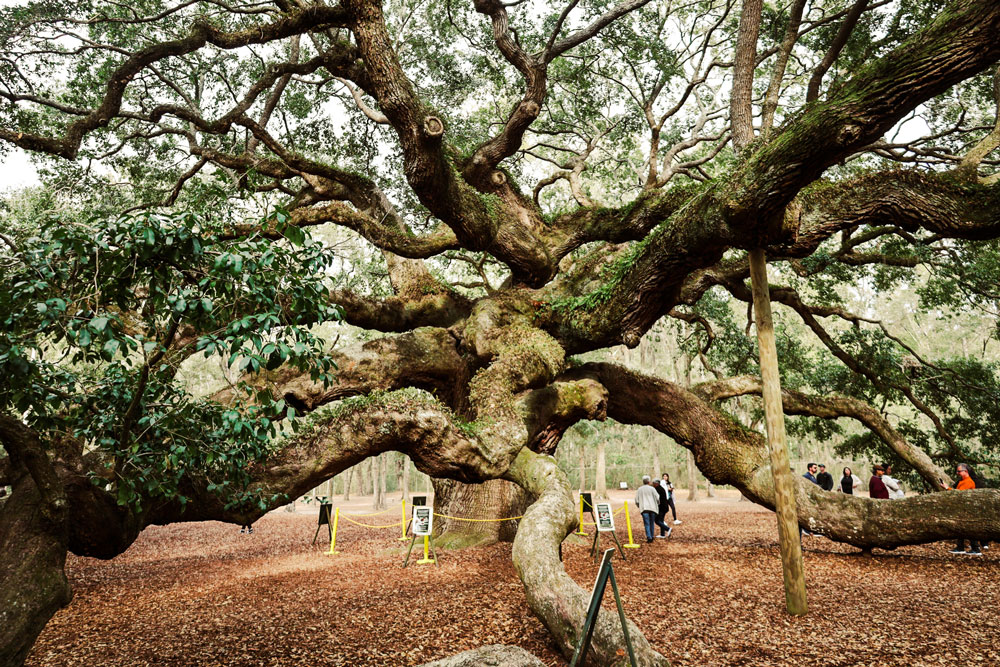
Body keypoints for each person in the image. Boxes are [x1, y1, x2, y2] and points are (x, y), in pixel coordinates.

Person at [941, 463, 982, 555]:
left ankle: (975, 549)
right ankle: (960, 547)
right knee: (961, 528)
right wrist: (947, 488)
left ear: (966, 471)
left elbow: (959, 494)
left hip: (968, 509)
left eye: (959, 471)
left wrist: (948, 488)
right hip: (962, 509)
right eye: (957, 471)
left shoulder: (969, 482)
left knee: (970, 529)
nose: (957, 473)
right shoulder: (961, 481)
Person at [634, 475, 660, 544]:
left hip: (644, 508)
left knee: (647, 523)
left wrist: (639, 506)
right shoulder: (652, 489)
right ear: (649, 481)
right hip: (652, 508)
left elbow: (636, 500)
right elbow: (657, 497)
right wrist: (657, 503)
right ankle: (652, 535)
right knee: (652, 523)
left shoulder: (640, 489)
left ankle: (649, 537)